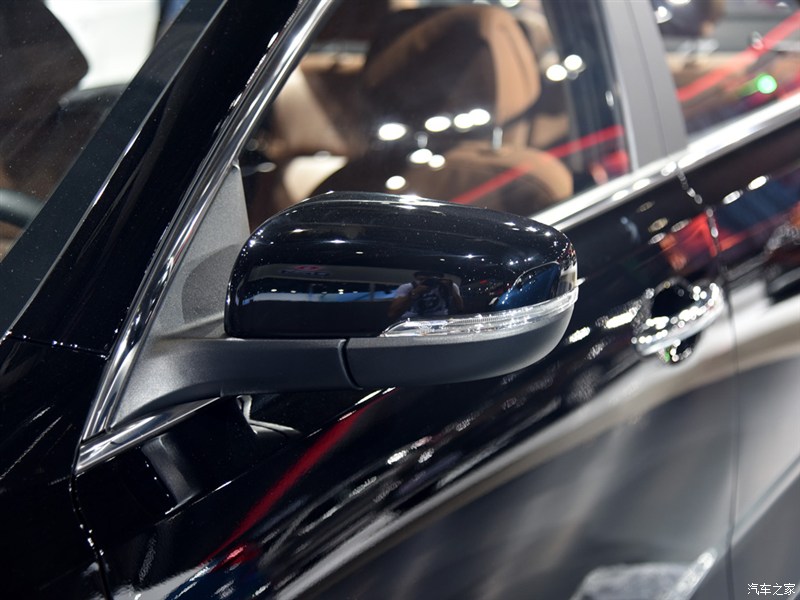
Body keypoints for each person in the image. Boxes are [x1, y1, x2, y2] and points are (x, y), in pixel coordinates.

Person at [389, 271, 464, 320]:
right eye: (422, 279)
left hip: (440, 320)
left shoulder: (447, 286)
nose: (427, 282)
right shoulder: (408, 287)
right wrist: (413, 294)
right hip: (411, 321)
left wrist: (451, 290)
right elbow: (392, 314)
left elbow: (460, 308)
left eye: (431, 279)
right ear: (416, 278)